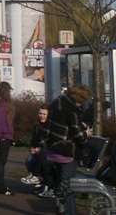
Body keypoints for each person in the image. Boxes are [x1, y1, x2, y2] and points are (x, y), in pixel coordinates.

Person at [41, 84, 91, 215]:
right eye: (82, 101)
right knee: (68, 189)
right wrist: (87, 133)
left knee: (62, 186)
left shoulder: (56, 103)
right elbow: (78, 136)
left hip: (54, 149)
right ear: (78, 99)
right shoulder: (72, 110)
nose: (81, 104)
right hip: (67, 152)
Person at [21, 104, 55, 197]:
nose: (42, 116)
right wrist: (32, 148)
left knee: (44, 160)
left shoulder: (51, 126)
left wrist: (40, 149)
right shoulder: (37, 126)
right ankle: (40, 180)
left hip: (49, 152)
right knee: (30, 160)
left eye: (44, 114)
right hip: (39, 151)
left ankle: (37, 178)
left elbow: (51, 142)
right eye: (40, 113)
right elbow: (34, 140)